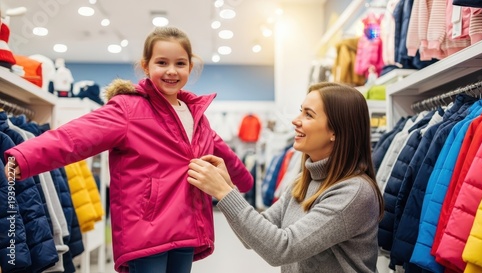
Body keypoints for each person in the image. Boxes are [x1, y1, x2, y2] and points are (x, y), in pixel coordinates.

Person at [4, 26, 253, 273]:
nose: (171, 71)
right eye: (162, 62)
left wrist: (244, 181)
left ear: (190, 66)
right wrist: (25, 157)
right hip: (147, 231)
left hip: (188, 228)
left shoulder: (197, 115)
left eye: (180, 63)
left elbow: (224, 155)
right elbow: (75, 137)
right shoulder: (128, 109)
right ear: (146, 66)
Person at [187, 81, 384, 273]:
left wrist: (224, 192)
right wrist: (228, 184)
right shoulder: (303, 183)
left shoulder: (353, 192)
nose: (295, 120)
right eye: (301, 111)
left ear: (335, 130)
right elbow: (253, 238)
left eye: (308, 115)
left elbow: (281, 248)